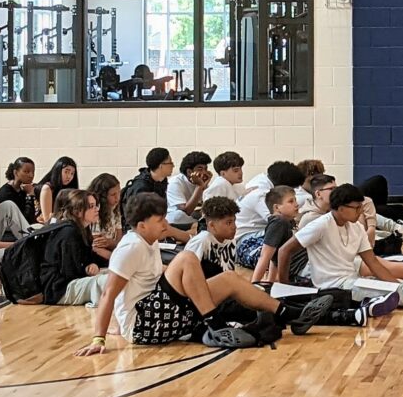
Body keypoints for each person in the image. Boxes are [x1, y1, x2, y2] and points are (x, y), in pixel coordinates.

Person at [77, 193, 284, 354]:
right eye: (160, 221)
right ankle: (215, 325)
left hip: (158, 313)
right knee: (186, 258)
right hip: (144, 324)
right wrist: (99, 338)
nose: (165, 224)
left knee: (228, 279)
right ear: (142, 225)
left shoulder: (149, 242)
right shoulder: (131, 247)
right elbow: (109, 294)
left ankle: (287, 312)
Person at [235, 161, 303, 268]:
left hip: (256, 233)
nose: (296, 204)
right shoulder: (261, 194)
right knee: (286, 246)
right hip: (246, 240)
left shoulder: (260, 180)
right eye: (290, 200)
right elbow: (276, 222)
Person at [251, 185, 308, 284]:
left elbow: (275, 256)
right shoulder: (279, 222)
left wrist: (270, 281)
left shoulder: (288, 221)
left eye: (295, 200)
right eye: (291, 201)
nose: (296, 204)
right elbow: (265, 255)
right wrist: (254, 284)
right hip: (302, 269)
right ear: (277, 207)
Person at [165, 150, 212, 228]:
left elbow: (206, 206)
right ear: (190, 172)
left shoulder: (201, 182)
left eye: (206, 169)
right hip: (175, 219)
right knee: (179, 215)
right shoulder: (175, 183)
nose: (204, 172)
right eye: (200, 169)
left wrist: (204, 187)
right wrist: (200, 187)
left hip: (192, 217)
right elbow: (186, 211)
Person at [0, 158, 39, 233]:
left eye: (33, 172)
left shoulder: (24, 188)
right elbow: (25, 220)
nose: (31, 175)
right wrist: (30, 196)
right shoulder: (5, 194)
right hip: (6, 233)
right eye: (26, 172)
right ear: (16, 173)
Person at [88, 172, 124, 263]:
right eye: (113, 195)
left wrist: (111, 243)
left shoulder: (115, 210)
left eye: (118, 193)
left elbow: (119, 239)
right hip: (99, 257)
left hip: (113, 250)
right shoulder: (95, 212)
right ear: (103, 196)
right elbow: (97, 245)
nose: (117, 198)